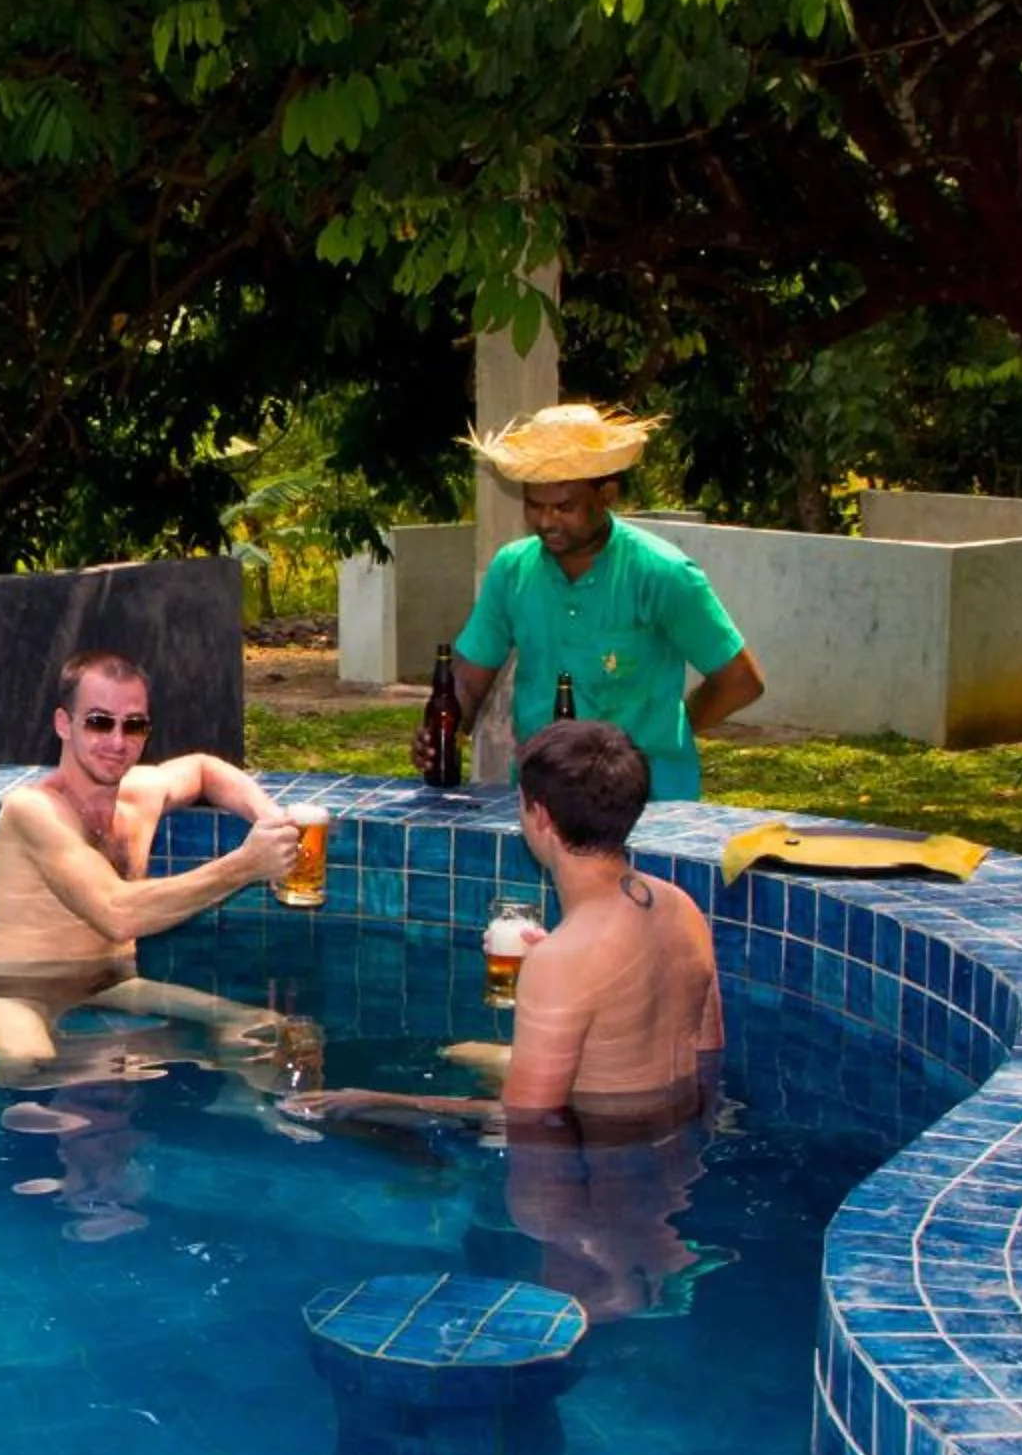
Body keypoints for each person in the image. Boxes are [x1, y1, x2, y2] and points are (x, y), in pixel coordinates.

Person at [289, 719, 725, 1133]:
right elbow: (707, 1058)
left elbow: (527, 1122)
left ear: (540, 817)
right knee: (466, 1056)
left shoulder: (563, 960)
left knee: (349, 1121)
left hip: (594, 1178)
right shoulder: (682, 907)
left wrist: (376, 1100)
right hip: (670, 1155)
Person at [0, 649, 306, 1089]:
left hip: (111, 983)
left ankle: (242, 1106)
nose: (117, 741)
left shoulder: (141, 793)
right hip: (24, 991)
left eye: (134, 725)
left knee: (271, 1030)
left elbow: (206, 769)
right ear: (62, 724)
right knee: (27, 1066)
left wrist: (273, 820)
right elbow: (116, 913)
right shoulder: (32, 811)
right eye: (98, 721)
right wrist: (245, 865)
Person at [416, 402, 763, 802]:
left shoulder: (663, 573)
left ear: (607, 495)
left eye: (564, 507)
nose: (546, 521)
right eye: (535, 505)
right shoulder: (512, 569)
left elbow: (740, 681)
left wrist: (673, 730)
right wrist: (443, 728)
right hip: (542, 798)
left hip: (648, 803)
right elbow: (467, 681)